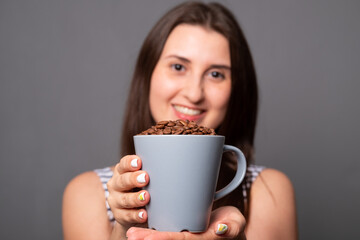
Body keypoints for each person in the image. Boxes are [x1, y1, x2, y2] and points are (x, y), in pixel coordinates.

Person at [62, 2, 298, 240]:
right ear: (148, 75)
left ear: (237, 89)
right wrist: (125, 229)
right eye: (178, 66)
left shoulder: (269, 190)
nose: (195, 93)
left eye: (216, 74)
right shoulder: (87, 193)